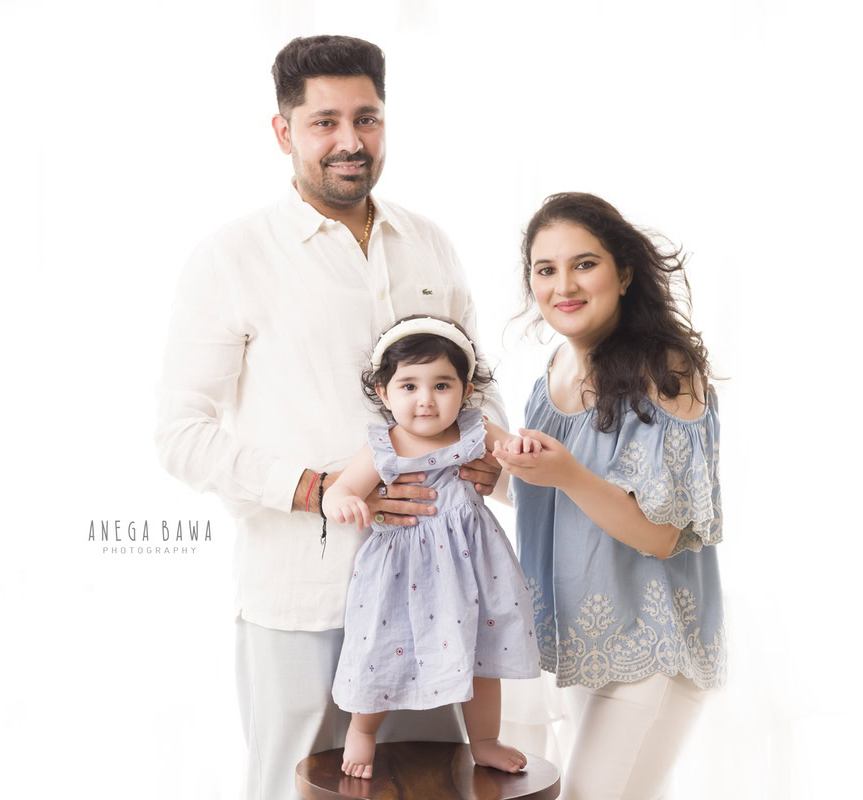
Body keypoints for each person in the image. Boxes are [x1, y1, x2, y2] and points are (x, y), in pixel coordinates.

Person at [153, 36, 508, 799]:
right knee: (298, 790)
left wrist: (491, 458)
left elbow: (479, 383)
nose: (350, 141)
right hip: (305, 595)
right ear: (284, 132)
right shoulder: (232, 257)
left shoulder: (431, 244)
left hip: (438, 590)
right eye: (324, 122)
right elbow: (181, 435)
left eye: (367, 119)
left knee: (435, 790)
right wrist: (318, 487)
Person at [493, 193, 725, 800]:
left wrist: (566, 473)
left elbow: (659, 532)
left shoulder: (666, 372)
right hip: (587, 639)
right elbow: (570, 505)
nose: (563, 285)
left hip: (652, 640)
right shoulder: (555, 373)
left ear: (623, 272)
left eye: (584, 264)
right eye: (545, 270)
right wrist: (497, 474)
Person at [322, 315, 540, 779]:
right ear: (384, 393)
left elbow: (518, 464)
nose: (425, 400)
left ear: (465, 388)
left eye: (442, 384)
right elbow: (339, 490)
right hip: (403, 572)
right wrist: (344, 503)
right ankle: (363, 731)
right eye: (409, 386)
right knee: (381, 647)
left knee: (485, 652)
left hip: (476, 568)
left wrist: (518, 456)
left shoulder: (475, 429)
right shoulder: (384, 444)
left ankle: (484, 739)